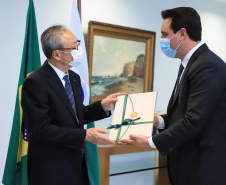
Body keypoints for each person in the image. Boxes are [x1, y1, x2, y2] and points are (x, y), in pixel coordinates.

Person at [119, 7, 226, 185]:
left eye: (164, 34)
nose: (162, 40)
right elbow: (183, 112)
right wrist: (156, 120)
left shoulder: (207, 65)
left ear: (182, 34)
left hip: (203, 168)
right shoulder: (191, 63)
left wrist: (150, 141)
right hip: (189, 165)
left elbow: (193, 120)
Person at [21, 25, 125, 185]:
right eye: (74, 46)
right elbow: (40, 130)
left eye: (78, 44)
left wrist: (103, 106)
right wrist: (84, 135)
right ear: (56, 54)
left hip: (76, 166)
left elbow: (75, 115)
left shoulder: (73, 77)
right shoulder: (35, 82)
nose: (79, 50)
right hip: (51, 170)